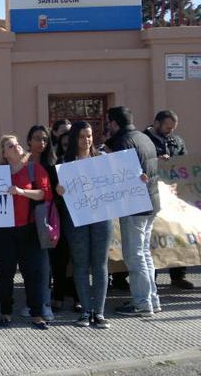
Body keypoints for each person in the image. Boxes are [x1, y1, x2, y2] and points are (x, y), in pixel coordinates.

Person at [56, 121, 113, 329]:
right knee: (80, 264)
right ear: (74, 139)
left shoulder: (104, 159)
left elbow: (120, 182)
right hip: (76, 219)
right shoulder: (65, 162)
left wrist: (138, 179)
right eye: (81, 136)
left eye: (89, 136)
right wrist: (59, 191)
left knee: (100, 264)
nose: (86, 140)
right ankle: (85, 311)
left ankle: (99, 312)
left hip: (102, 217)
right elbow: (59, 197)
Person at [105, 106, 161, 317]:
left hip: (135, 205)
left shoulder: (123, 142)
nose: (107, 127)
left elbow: (119, 175)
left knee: (134, 255)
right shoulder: (144, 138)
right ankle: (151, 299)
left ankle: (142, 302)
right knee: (144, 253)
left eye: (109, 123)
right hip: (151, 202)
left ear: (114, 123)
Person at [0, 135, 51, 330]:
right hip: (3, 231)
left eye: (17, 144)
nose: (16, 147)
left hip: (29, 228)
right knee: (6, 271)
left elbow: (43, 193)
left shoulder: (34, 168)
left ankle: (37, 313)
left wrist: (21, 192)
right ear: (4, 153)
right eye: (10, 146)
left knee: (32, 272)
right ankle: (5, 312)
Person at [144, 110, 193, 290]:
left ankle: (178, 275)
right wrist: (156, 160)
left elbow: (185, 162)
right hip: (152, 196)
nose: (170, 131)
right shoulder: (143, 140)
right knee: (153, 238)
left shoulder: (177, 141)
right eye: (167, 127)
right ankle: (151, 278)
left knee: (177, 234)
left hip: (174, 197)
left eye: (172, 128)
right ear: (156, 123)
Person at [24, 126, 65, 320]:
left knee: (47, 263)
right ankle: (32, 301)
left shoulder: (54, 164)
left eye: (45, 139)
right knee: (29, 263)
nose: (41, 143)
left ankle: (46, 302)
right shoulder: (22, 162)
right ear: (28, 141)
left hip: (48, 218)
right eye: (37, 139)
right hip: (25, 218)